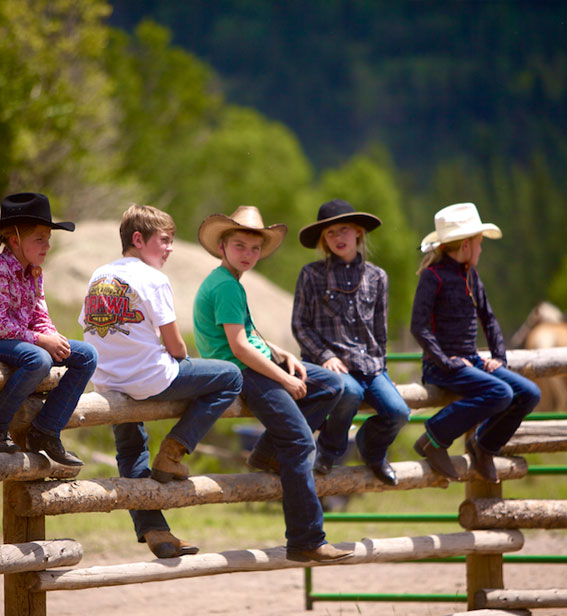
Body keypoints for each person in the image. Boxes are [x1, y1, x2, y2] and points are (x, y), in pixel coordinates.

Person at [80, 204, 242, 559]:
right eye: (164, 240)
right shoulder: (152, 278)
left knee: (130, 450)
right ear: (138, 239)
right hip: (149, 377)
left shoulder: (99, 276)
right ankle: (174, 451)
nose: (169, 249)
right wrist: (179, 361)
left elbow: (92, 328)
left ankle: (156, 532)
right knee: (230, 376)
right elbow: (175, 345)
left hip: (108, 383)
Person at [193, 205, 351, 563]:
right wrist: (282, 377)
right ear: (222, 247)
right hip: (241, 372)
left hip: (253, 363)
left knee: (330, 384)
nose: (247, 254)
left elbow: (246, 332)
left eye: (253, 248)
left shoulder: (229, 281)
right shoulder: (226, 286)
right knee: (298, 443)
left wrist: (281, 354)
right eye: (239, 247)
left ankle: (266, 451)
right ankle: (305, 539)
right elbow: (238, 347)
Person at [0, 192, 96, 467]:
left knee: (87, 355)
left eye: (49, 239)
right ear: (15, 240)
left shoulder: (34, 271)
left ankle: (46, 430)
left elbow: (39, 314)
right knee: (39, 359)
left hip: (18, 340)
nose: (47, 246)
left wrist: (53, 337)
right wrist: (41, 340)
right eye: (39, 239)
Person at [410, 202, 541, 483]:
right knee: (501, 393)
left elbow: (489, 318)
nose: (481, 250)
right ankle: (434, 436)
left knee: (529, 393)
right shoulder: (432, 278)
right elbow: (419, 327)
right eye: (480, 243)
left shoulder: (471, 275)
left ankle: (484, 445)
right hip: (441, 366)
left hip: (471, 360)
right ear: (467, 245)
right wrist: (444, 361)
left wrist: (499, 357)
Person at [292, 199, 410, 486]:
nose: (337, 238)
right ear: (323, 240)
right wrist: (323, 356)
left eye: (343, 230)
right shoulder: (311, 275)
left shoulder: (377, 276)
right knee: (350, 393)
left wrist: (381, 368)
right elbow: (300, 324)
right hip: (334, 365)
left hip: (370, 365)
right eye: (330, 234)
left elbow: (379, 331)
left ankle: (372, 448)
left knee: (399, 412)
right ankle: (330, 451)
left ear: (358, 232)